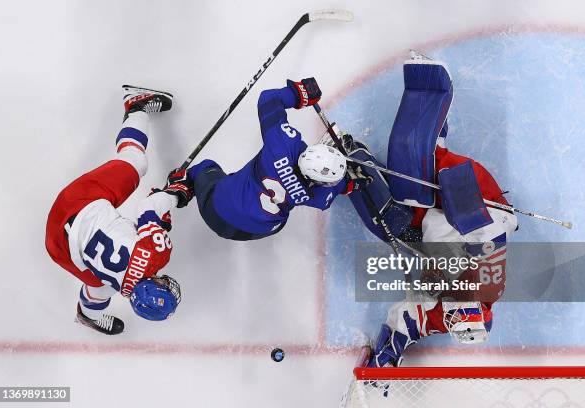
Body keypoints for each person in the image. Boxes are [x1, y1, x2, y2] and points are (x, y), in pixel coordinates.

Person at [342, 55, 518, 366]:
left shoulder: (450, 315)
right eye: (454, 305)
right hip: (480, 205)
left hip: (447, 225)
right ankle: (432, 86)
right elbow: (459, 223)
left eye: (448, 311)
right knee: (413, 164)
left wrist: (384, 361)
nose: (448, 306)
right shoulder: (486, 280)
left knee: (386, 224)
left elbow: (406, 321)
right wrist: (435, 267)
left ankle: (354, 160)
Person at [45, 85, 193, 335]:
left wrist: (175, 194)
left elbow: (149, 206)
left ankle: (136, 106)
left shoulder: (157, 253)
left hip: (77, 203)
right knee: (99, 287)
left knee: (136, 164)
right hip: (58, 246)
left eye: (162, 285)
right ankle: (86, 316)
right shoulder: (121, 287)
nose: (166, 281)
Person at [180, 78, 370, 241]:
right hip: (251, 231)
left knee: (207, 168)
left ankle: (181, 186)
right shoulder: (321, 197)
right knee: (277, 216)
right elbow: (338, 188)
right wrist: (352, 184)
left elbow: (269, 99)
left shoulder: (283, 145)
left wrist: (299, 93)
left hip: (217, 208)